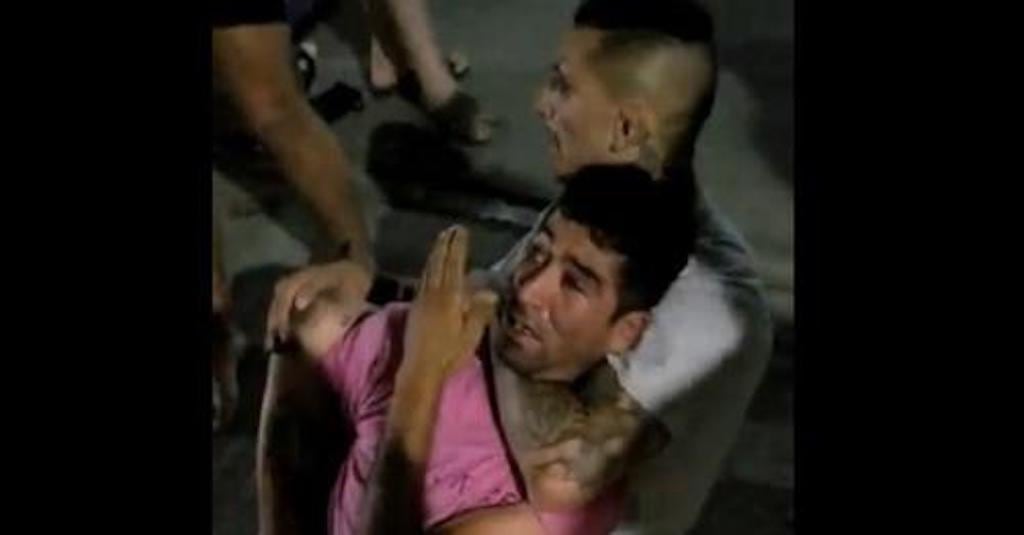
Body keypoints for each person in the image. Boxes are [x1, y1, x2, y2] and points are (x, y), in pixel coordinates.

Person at [263, 0, 773, 532]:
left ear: (625, 129)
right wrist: (370, 285)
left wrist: (447, 348)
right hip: (481, 467)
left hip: (531, 520)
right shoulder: (595, 202)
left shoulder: (710, 306)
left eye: (563, 87)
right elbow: (488, 296)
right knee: (311, 316)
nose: (540, 104)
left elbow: (559, 473)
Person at [268, 165, 695, 534]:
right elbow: (303, 368)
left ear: (626, 331)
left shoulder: (557, 499)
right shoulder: (443, 326)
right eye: (538, 252)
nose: (528, 290)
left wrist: (421, 374)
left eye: (574, 283)